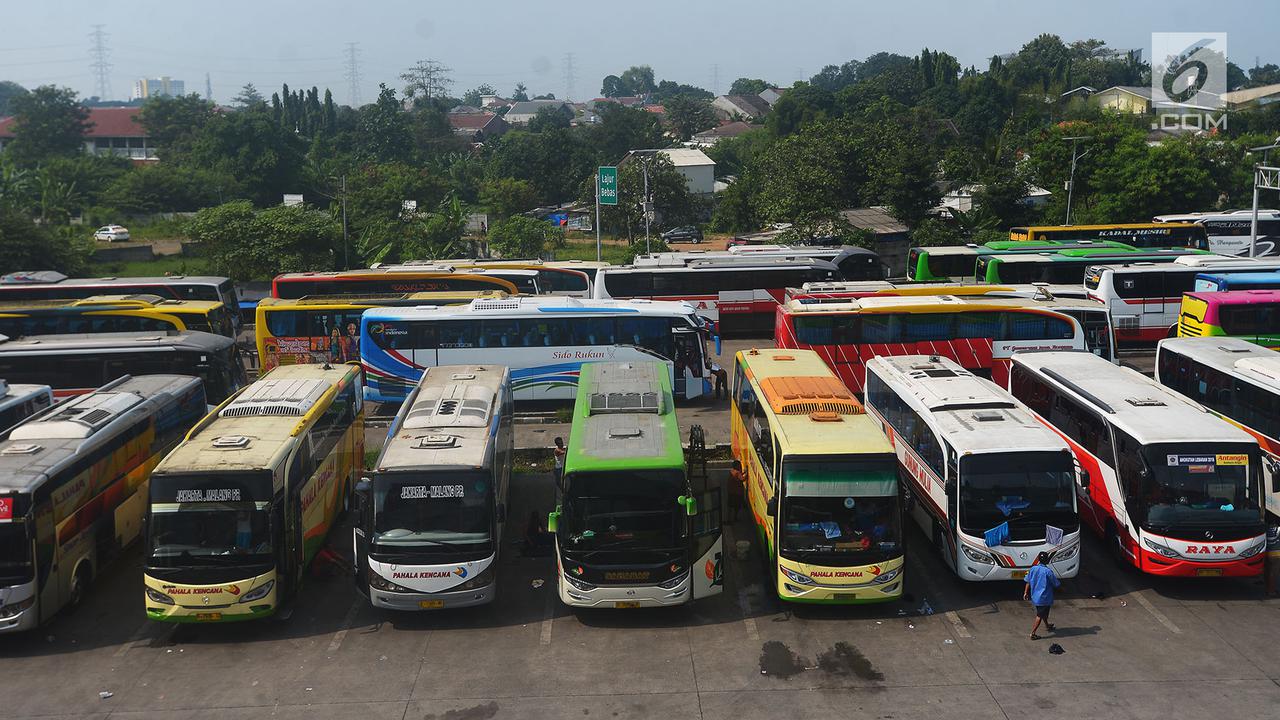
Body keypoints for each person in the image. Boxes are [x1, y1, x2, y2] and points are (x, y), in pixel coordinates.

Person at [1023, 551, 1061, 640]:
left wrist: (1025, 592)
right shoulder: (1048, 572)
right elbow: (1056, 584)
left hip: (1035, 597)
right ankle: (1033, 633)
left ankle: (1047, 625)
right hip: (1044, 598)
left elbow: (1028, 581)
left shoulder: (1033, 569)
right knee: (1040, 615)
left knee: (1043, 613)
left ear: (1038, 559)